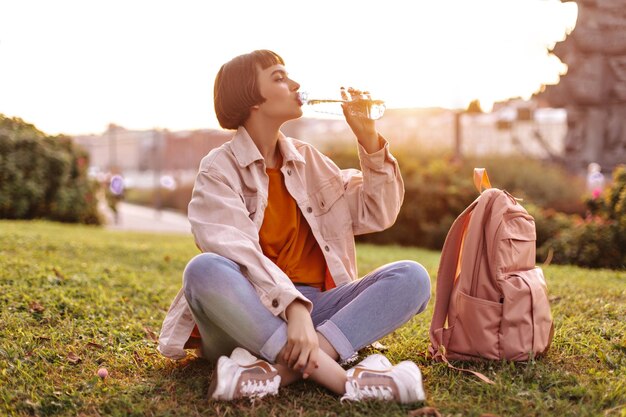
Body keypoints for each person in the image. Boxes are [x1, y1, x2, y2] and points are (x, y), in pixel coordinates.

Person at [157, 50, 431, 404]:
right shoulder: (219, 169)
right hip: (247, 314)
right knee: (204, 269)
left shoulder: (309, 160)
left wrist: (369, 140)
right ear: (251, 99)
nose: (296, 84)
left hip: (318, 312)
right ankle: (344, 382)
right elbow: (233, 248)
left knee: (412, 277)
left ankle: (269, 374)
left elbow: (376, 212)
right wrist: (293, 307)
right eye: (279, 77)